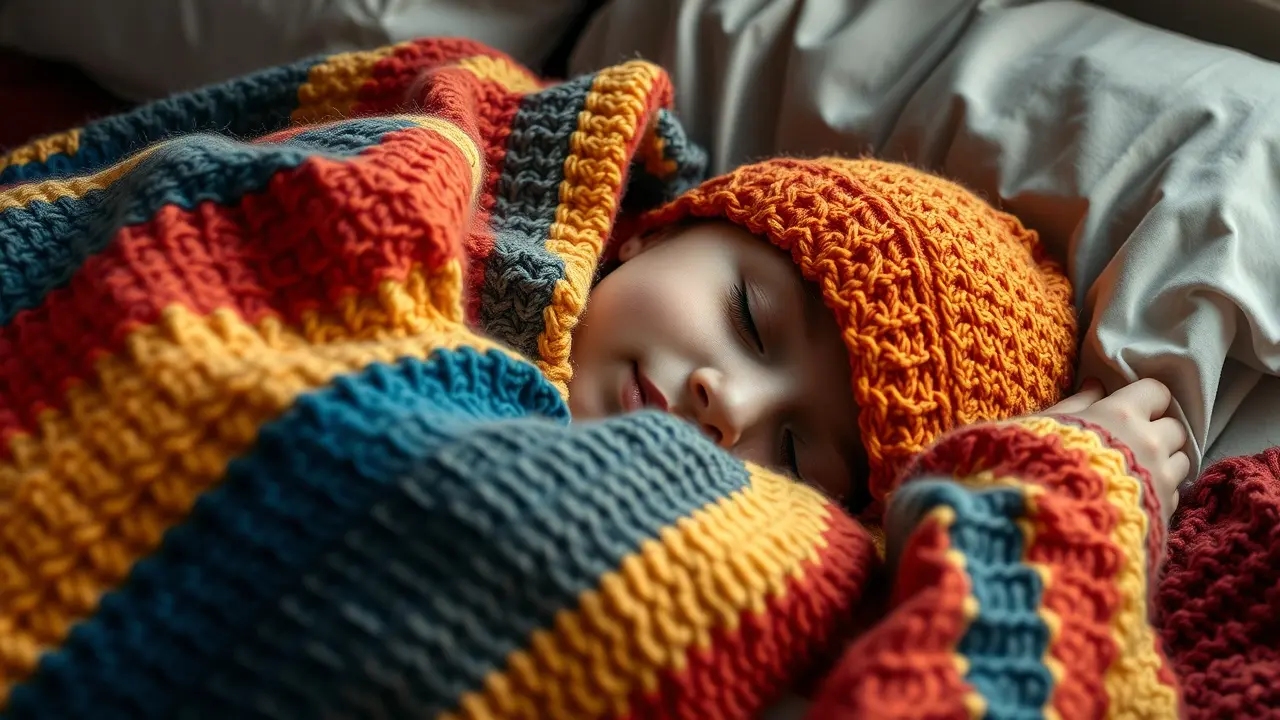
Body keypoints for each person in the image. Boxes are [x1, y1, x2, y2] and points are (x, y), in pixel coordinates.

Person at [0, 38, 1186, 718]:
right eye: (748, 322)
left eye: (798, 457)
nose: (735, 407)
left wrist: (1060, 502)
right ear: (649, 232)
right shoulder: (440, 183)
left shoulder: (771, 566)